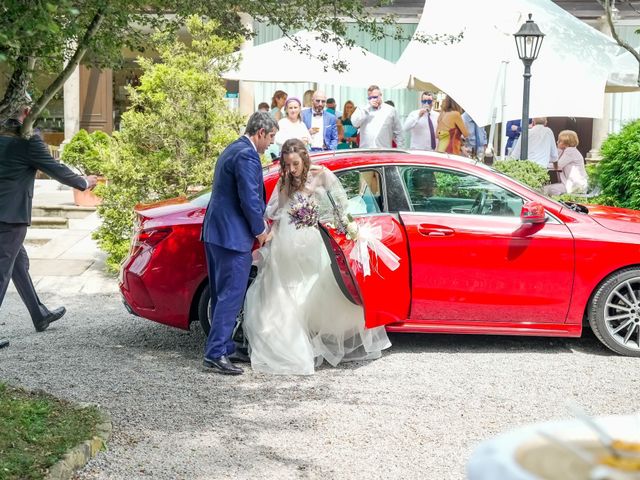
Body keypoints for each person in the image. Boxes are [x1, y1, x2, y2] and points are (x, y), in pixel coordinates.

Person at [243, 138, 391, 375]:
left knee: (316, 288)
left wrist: (342, 225)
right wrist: (270, 238)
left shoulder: (322, 174)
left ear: (304, 158)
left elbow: (341, 205)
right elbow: (278, 212)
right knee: (288, 292)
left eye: (295, 164)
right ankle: (296, 343)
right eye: (287, 165)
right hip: (288, 242)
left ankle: (316, 339)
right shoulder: (284, 181)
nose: (291, 170)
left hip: (314, 239)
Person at [0, 94, 98, 347]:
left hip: (5, 214)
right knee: (2, 270)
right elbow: (55, 169)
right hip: (10, 217)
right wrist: (83, 182)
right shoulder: (28, 140)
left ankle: (39, 314)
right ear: (25, 110)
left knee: (18, 264)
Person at [201, 111, 278, 375]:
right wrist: (261, 232)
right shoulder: (247, 154)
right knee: (230, 297)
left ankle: (223, 345)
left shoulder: (234, 148)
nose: (270, 144)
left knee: (223, 293)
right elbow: (250, 198)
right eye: (271, 138)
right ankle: (215, 354)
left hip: (216, 233)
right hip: (232, 238)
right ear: (260, 133)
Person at [544, 130, 588, 195]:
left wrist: (541, 165)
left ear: (566, 143)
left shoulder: (570, 151)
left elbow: (558, 165)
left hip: (576, 185)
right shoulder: (565, 151)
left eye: (559, 141)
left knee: (548, 189)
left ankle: (557, 204)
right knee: (546, 189)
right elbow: (553, 159)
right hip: (573, 184)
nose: (557, 142)